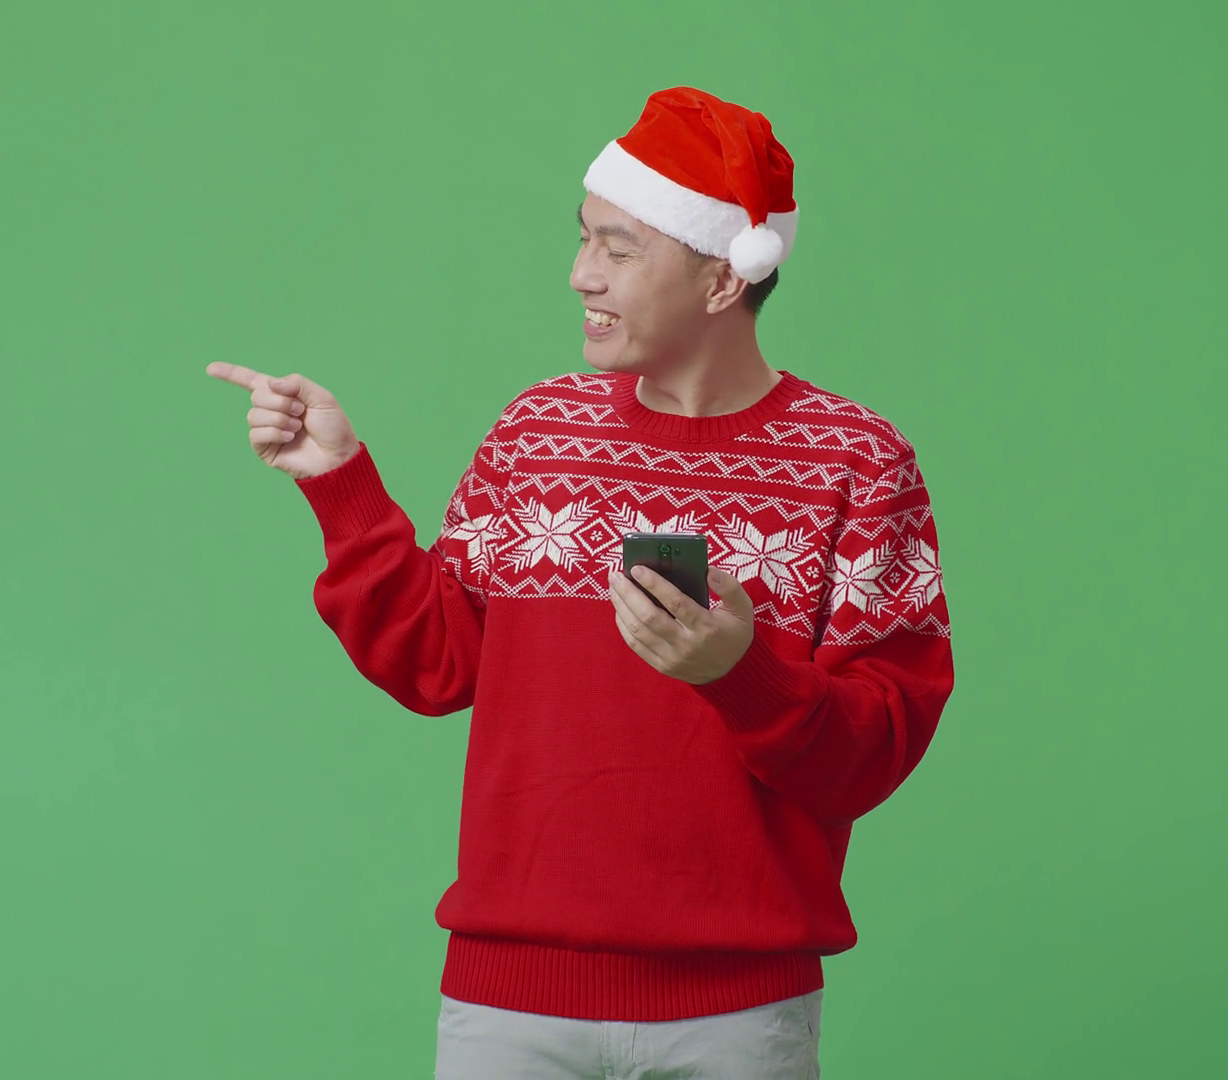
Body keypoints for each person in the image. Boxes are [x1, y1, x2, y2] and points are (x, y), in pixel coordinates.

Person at [206, 86, 954, 1080]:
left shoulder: (858, 461)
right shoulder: (538, 431)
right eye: (583, 237)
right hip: (508, 1001)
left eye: (617, 248)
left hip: (738, 1012)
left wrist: (742, 675)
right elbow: (436, 664)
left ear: (722, 279)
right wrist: (340, 484)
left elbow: (875, 751)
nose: (579, 273)